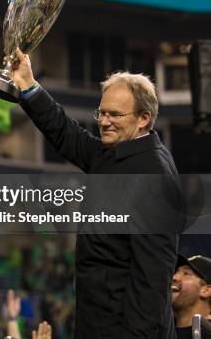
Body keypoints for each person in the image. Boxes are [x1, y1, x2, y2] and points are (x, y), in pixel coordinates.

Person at [11, 48, 179, 338]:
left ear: (143, 118)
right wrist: (28, 86)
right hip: (97, 322)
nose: (103, 122)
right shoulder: (116, 152)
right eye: (101, 113)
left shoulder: (153, 175)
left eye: (115, 114)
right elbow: (67, 135)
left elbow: (152, 277)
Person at [172, 255, 211, 339]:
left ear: (206, 291)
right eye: (175, 272)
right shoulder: (158, 330)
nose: (174, 277)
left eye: (186, 273)